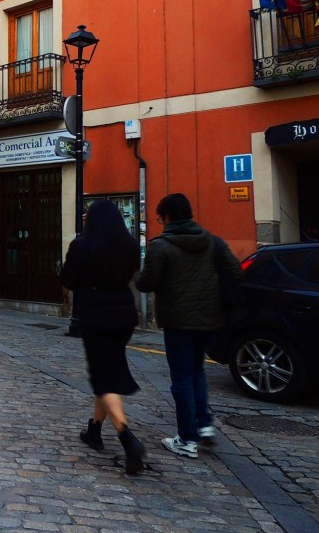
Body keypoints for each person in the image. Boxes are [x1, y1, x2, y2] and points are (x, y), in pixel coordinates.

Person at [136, 192, 240, 460]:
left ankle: (187, 439)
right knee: (197, 372)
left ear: (167, 217)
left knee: (181, 378)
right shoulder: (213, 242)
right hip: (208, 320)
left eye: (160, 217)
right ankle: (204, 424)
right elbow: (236, 272)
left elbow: (146, 283)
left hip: (177, 321)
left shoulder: (161, 246)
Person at [60, 200, 146, 475]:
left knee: (102, 378)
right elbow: (132, 275)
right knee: (107, 371)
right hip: (123, 314)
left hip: (95, 314)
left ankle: (127, 438)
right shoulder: (130, 245)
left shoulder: (82, 245)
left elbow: (69, 280)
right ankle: (95, 430)